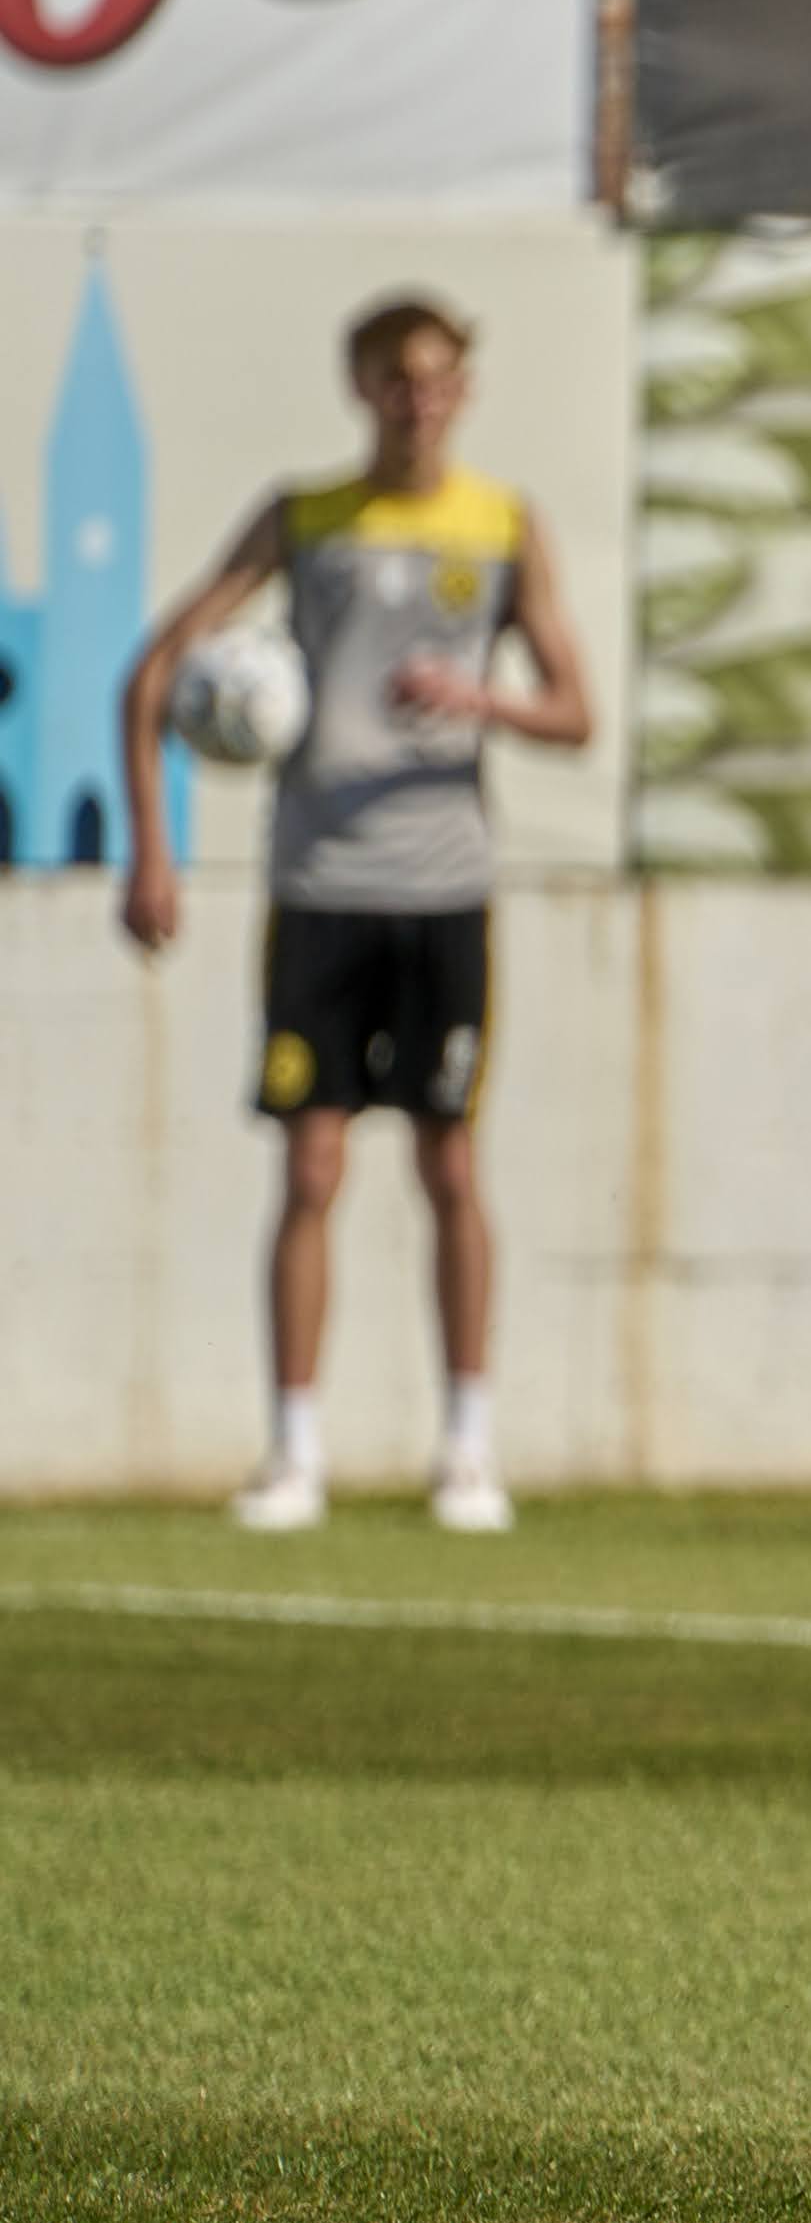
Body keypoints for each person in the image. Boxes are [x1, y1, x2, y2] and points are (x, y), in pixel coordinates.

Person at [117, 293, 592, 1535]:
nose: (416, 398)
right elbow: (155, 665)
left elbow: (576, 709)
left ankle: (470, 1445)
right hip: (319, 889)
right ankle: (294, 1450)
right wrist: (152, 852)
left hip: (444, 890)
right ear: (359, 386)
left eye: (436, 377)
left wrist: (478, 702)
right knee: (313, 1163)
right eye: (394, 377)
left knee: (447, 1161)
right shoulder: (304, 517)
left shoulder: (501, 524)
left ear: (464, 389)